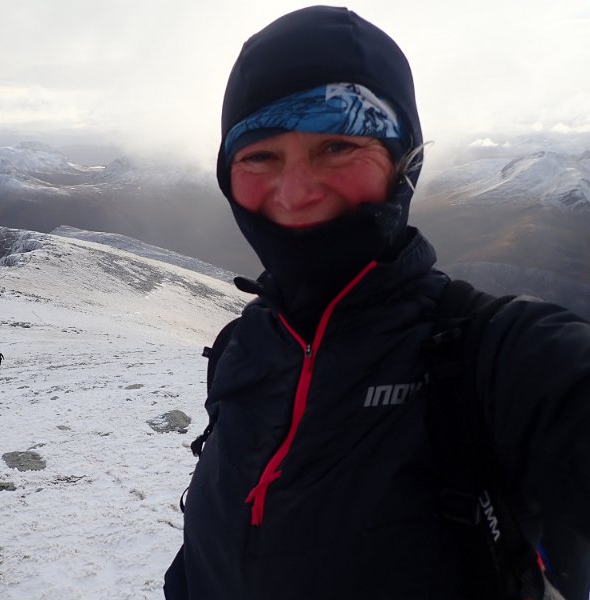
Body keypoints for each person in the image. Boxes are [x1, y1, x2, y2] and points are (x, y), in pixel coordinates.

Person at [164, 6, 590, 600]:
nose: (295, 191)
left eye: (337, 145)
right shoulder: (244, 346)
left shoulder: (503, 361)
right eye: (260, 155)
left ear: (402, 164)